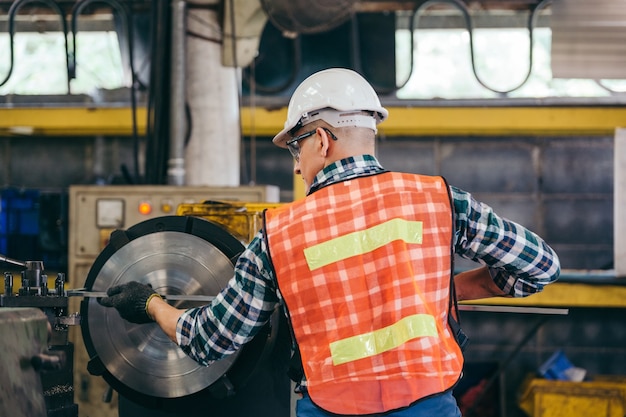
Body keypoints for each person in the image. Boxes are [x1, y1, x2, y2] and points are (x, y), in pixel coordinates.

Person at [99, 68, 560, 416]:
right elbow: (540, 267)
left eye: (296, 150)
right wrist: (436, 289)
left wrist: (151, 304)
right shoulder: (439, 199)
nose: (297, 168)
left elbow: (211, 339)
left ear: (321, 139)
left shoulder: (280, 232)